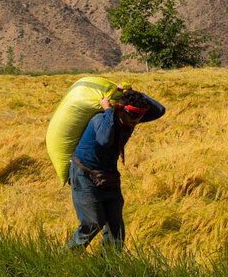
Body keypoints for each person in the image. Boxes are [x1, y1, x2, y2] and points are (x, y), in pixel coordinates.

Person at [66, 87, 165, 249]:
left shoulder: (131, 118)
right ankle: (67, 258)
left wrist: (132, 91)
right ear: (120, 110)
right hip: (84, 174)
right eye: (133, 115)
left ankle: (109, 266)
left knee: (116, 228)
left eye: (140, 116)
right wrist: (107, 110)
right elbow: (104, 139)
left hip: (109, 174)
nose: (137, 120)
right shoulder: (101, 119)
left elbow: (159, 110)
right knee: (92, 222)